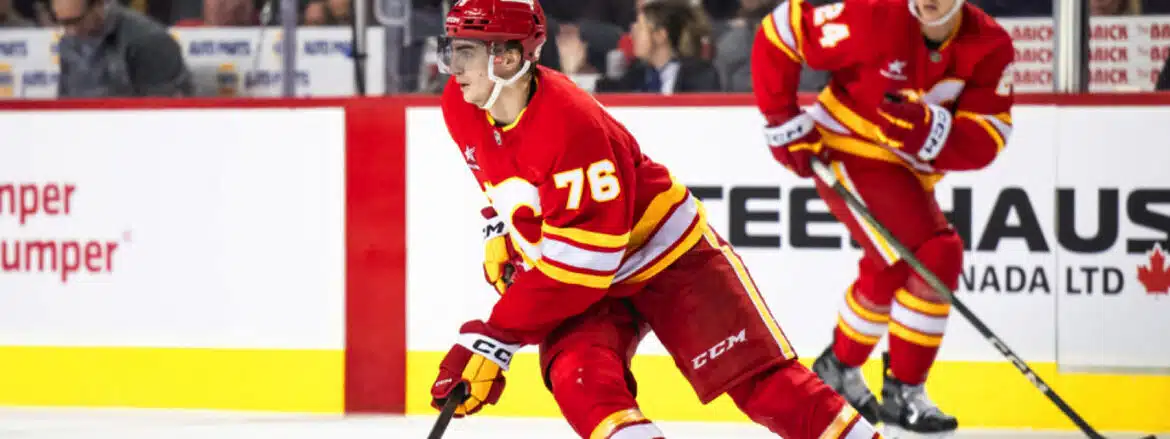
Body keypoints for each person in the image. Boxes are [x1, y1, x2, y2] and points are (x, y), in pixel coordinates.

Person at [427, 0, 884, 438]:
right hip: (586, 272)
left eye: (465, 52)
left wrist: (494, 338)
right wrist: (499, 228)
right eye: (453, 49)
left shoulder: (570, 126)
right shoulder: (461, 102)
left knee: (765, 388)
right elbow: (494, 176)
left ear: (506, 59)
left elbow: (583, 268)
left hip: (670, 258)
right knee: (581, 384)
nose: (452, 65)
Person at [750, 0, 1014, 434]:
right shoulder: (874, 15)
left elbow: (990, 133)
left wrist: (932, 130)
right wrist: (781, 117)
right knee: (936, 253)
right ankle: (904, 395)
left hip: (907, 169)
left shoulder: (989, 44)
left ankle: (839, 367)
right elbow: (780, 31)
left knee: (890, 269)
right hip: (847, 145)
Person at [53, 0, 192, 98]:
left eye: (76, 21)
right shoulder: (69, 43)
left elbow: (162, 111)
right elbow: (66, 103)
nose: (70, 31)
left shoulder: (149, 41)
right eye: (63, 23)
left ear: (98, 5)